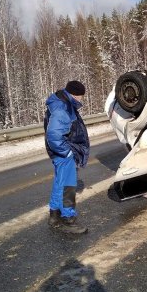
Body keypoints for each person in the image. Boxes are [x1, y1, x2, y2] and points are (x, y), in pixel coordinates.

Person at [44, 80, 90, 234]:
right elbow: (54, 135)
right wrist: (67, 152)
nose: (81, 99)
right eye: (80, 96)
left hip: (62, 151)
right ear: (73, 94)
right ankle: (68, 219)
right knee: (68, 185)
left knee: (60, 182)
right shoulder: (62, 108)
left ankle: (55, 215)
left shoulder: (63, 102)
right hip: (63, 152)